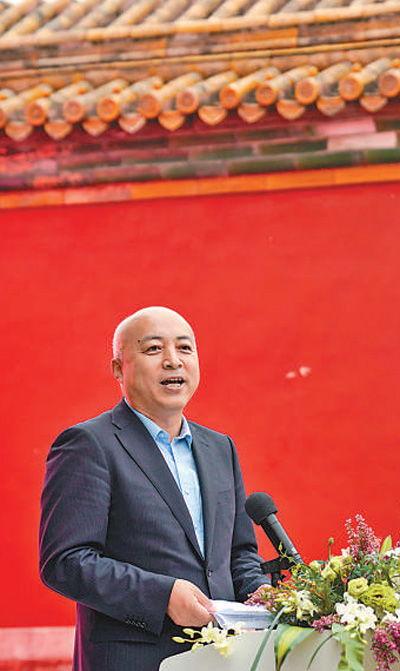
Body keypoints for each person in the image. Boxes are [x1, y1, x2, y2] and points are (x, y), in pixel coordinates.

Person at [39, 306, 267, 671]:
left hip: (224, 658)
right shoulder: (89, 444)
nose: (173, 360)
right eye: (153, 349)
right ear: (118, 368)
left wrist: (260, 593)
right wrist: (162, 597)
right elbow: (65, 562)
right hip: (133, 660)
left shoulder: (220, 448)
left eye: (185, 348)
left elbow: (239, 553)